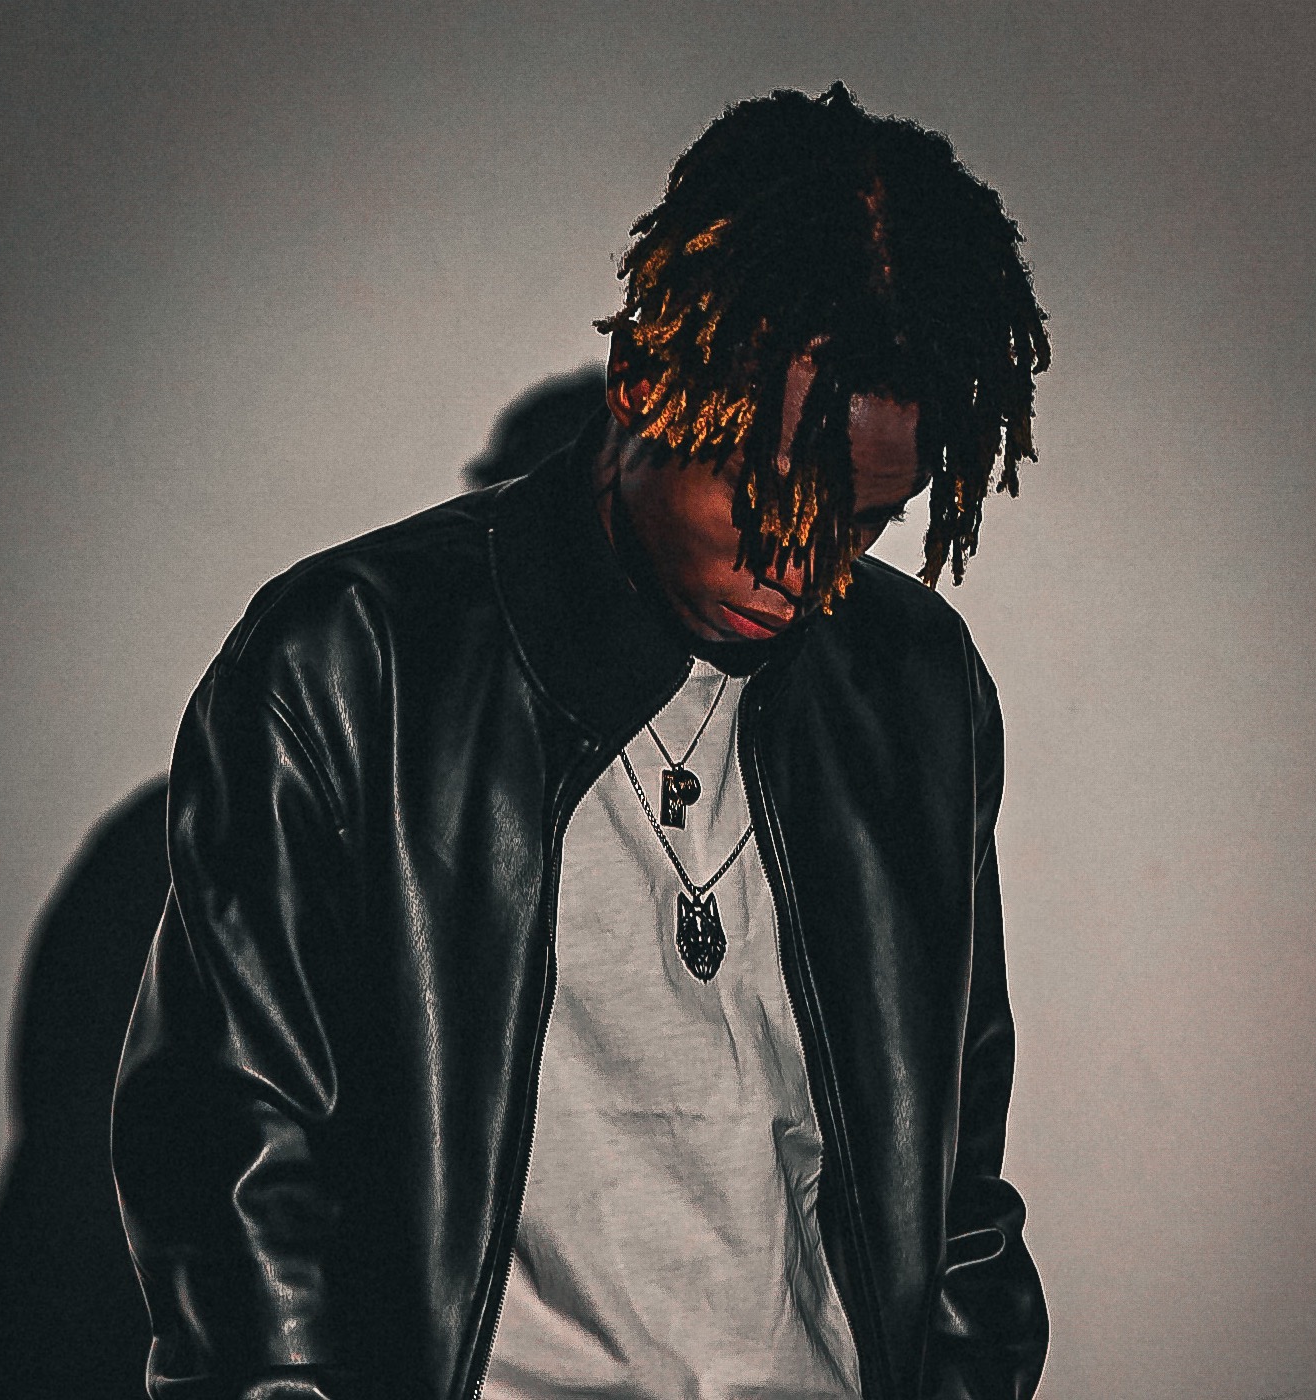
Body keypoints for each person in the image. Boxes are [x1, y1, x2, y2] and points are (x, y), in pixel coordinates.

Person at [112, 82, 1052, 1400]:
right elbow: (231, 1166)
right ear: (647, 382)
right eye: (769, 493)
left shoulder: (914, 690)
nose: (804, 570)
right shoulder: (356, 662)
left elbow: (954, 1185)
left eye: (862, 523)